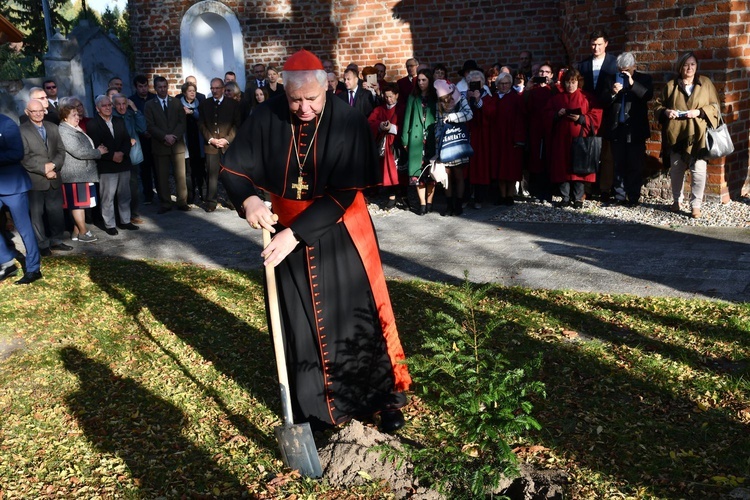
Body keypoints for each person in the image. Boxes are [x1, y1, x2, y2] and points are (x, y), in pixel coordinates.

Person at [219, 49, 411, 433]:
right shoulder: (265, 116)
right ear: (283, 92)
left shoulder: (349, 120)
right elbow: (232, 169)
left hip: (340, 229)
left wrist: (296, 234)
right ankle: (318, 407)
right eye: (295, 100)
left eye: (312, 99)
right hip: (283, 225)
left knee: (356, 315)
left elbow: (344, 191)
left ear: (326, 89)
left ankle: (380, 397)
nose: (304, 108)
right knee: (300, 322)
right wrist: (249, 198)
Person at [654, 51, 720, 219]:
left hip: (698, 135)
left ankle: (696, 205)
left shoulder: (705, 83)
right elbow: (658, 107)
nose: (689, 68)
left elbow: (715, 107)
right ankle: (676, 200)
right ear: (680, 67)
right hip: (677, 134)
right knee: (676, 169)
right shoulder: (671, 86)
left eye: (692, 64)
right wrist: (667, 112)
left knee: (698, 170)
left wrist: (699, 111)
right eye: (686, 64)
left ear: (696, 66)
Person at [602, 52, 653, 207]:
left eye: (627, 70)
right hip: (617, 127)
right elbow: (602, 101)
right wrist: (612, 92)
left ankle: (633, 197)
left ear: (634, 67)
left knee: (634, 165)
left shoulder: (644, 79)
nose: (623, 73)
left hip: (635, 129)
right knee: (618, 164)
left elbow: (647, 95)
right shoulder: (611, 79)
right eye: (621, 70)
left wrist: (632, 83)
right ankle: (619, 196)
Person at [20, 99, 70, 255]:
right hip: (35, 180)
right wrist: (44, 168)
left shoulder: (53, 127)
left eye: (41, 110)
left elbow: (61, 151)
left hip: (54, 176)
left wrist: (53, 165)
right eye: (34, 111)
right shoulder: (21, 131)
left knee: (56, 212)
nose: (38, 114)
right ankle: (42, 245)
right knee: (36, 215)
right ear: (27, 112)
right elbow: (24, 157)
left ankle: (57, 240)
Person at [546, 68, 602, 209]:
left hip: (580, 138)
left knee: (579, 169)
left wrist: (582, 118)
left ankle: (578, 198)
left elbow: (596, 114)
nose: (570, 85)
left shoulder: (586, 97)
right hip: (562, 139)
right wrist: (557, 114)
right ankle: (565, 197)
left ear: (578, 82)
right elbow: (546, 115)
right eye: (568, 82)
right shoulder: (557, 99)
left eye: (573, 82)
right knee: (563, 168)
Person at [0, 113, 42, 284]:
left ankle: (33, 269)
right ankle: (7, 261)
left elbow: (17, 153)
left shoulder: (6, 124)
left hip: (12, 185)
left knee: (24, 228)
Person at [86, 95, 137, 235]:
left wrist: (121, 153)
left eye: (109, 105)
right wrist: (112, 156)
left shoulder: (119, 121)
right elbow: (97, 145)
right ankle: (110, 224)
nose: (108, 107)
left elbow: (127, 140)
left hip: (123, 163)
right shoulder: (93, 124)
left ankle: (125, 221)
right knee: (108, 197)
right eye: (104, 105)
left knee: (125, 195)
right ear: (97, 108)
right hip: (107, 166)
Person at [577, 30, 618, 202]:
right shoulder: (584, 65)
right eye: (593, 44)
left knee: (607, 153)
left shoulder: (614, 63)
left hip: (608, 111)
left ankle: (605, 189)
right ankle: (586, 187)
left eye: (599, 44)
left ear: (606, 44)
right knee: (588, 150)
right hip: (589, 112)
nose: (596, 47)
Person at [58, 103, 107, 243]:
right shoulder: (64, 131)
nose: (77, 117)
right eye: (73, 115)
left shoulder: (72, 128)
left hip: (81, 172)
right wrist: (98, 152)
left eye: (77, 114)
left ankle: (76, 231)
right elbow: (78, 152)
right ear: (65, 118)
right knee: (77, 205)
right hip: (75, 173)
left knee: (80, 204)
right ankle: (84, 232)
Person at [145, 76, 190, 213]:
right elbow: (150, 125)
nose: (163, 89)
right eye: (160, 87)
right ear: (155, 88)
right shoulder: (149, 105)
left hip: (177, 145)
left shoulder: (176, 103)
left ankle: (182, 201)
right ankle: (166, 203)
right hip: (160, 145)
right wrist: (164, 136)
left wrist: (174, 136)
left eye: (165, 86)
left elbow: (182, 123)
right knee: (162, 176)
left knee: (180, 175)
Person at [199, 77, 240, 212]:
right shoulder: (205, 104)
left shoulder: (233, 104)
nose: (214, 91)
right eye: (212, 88)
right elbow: (201, 124)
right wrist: (210, 139)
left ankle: (231, 200)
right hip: (211, 146)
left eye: (217, 88)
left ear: (223, 89)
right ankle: (211, 201)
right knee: (211, 174)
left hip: (228, 146)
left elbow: (236, 124)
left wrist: (227, 139)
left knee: (230, 174)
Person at [401, 68, 437, 215]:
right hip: (416, 138)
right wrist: (405, 139)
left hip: (431, 137)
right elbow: (407, 119)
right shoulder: (413, 97)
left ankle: (430, 203)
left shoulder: (435, 97)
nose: (421, 83)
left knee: (431, 172)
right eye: (419, 80)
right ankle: (422, 204)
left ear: (429, 81)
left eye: (424, 80)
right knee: (417, 173)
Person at [434, 79, 473, 216]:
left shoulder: (461, 100)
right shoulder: (439, 104)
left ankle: (459, 204)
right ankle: (449, 204)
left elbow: (469, 114)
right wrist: (438, 142)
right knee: (447, 175)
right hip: (445, 143)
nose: (446, 102)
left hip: (459, 142)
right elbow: (438, 125)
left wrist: (453, 117)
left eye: (448, 98)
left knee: (458, 174)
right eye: (443, 99)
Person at [368, 82, 405, 209]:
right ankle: (391, 195)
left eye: (391, 96)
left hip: (398, 144)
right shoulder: (380, 109)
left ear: (397, 95)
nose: (388, 99)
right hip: (385, 145)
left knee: (400, 171)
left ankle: (403, 195)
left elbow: (407, 126)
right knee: (388, 171)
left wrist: (392, 128)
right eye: (386, 96)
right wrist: (380, 125)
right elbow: (370, 122)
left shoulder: (402, 108)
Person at [525, 63, 556, 203]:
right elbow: (524, 106)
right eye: (541, 72)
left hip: (550, 128)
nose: (543, 74)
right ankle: (536, 191)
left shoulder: (553, 89)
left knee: (549, 158)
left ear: (551, 75)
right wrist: (527, 87)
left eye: (546, 72)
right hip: (535, 128)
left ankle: (548, 191)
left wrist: (554, 86)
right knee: (535, 159)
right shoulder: (533, 90)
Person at [465, 69, 495, 209]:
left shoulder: (488, 98)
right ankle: (464, 197)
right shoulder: (463, 97)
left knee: (480, 167)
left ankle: (479, 198)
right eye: (472, 83)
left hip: (482, 138)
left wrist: (478, 100)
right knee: (466, 168)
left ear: (483, 83)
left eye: (478, 82)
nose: (475, 85)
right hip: (468, 136)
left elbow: (491, 114)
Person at [129, 75, 158, 205]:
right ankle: (148, 194)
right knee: (144, 168)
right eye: (140, 86)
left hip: (155, 137)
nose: (143, 89)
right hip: (140, 138)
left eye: (145, 86)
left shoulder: (154, 98)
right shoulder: (131, 101)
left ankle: (162, 193)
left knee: (158, 167)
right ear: (136, 87)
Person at [179, 82, 206, 204]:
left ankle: (203, 193)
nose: (192, 93)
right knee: (188, 172)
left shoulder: (200, 104)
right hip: (186, 142)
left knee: (201, 169)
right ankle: (190, 196)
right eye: (190, 91)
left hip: (198, 142)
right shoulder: (179, 105)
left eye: (194, 91)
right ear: (184, 93)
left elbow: (203, 118)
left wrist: (192, 113)